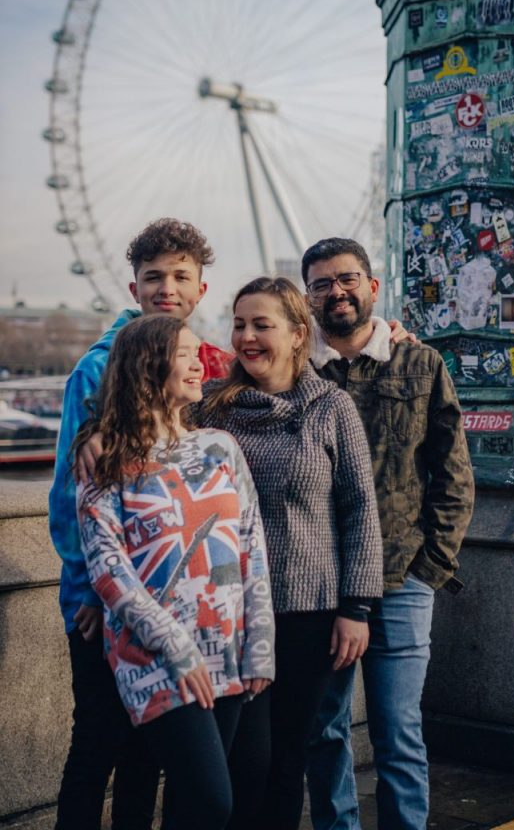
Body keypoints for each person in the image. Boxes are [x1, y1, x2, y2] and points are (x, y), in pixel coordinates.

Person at [49, 218, 231, 830]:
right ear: (134, 289)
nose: (167, 289)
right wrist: (96, 593)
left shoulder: (206, 366)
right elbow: (68, 502)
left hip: (176, 604)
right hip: (102, 602)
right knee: (97, 748)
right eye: (154, 278)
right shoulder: (96, 371)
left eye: (181, 277)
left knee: (148, 757)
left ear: (202, 289)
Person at [196, 276, 384, 830]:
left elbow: (359, 509)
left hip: (307, 612)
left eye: (262, 325)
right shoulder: (210, 408)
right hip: (229, 614)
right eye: (238, 324)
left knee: (287, 760)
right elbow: (138, 423)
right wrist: (92, 436)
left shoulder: (332, 408)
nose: (246, 337)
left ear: (299, 334)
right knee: (238, 763)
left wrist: (356, 608)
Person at [301, 237, 476, 830]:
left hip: (402, 579)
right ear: (307, 298)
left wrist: (433, 568)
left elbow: (454, 475)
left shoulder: (421, 364)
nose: (336, 292)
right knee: (323, 730)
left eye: (347, 279)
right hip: (319, 582)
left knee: (398, 731)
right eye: (321, 283)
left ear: (373, 287)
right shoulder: (294, 376)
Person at [75, 315, 274, 829]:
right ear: (147, 365)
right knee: (211, 801)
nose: (197, 361)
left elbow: (251, 548)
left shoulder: (220, 447)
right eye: (184, 352)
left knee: (196, 807)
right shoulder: (107, 461)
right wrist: (177, 649)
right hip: (156, 656)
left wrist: (260, 645)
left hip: (227, 646)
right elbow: (108, 570)